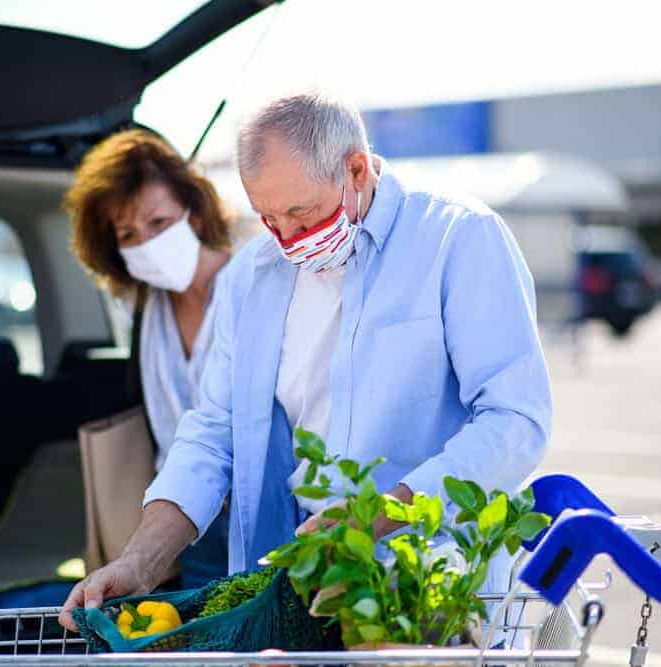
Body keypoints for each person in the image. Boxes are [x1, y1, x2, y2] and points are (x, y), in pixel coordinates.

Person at [59, 93, 552, 632]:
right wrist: (140, 561)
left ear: (356, 170)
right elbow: (213, 433)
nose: (289, 240)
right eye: (268, 218)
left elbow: (514, 421)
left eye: (301, 213)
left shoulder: (458, 238)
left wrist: (379, 514)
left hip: (432, 594)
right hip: (295, 600)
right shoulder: (249, 276)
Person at [63, 128, 234, 589]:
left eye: (158, 222)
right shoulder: (147, 309)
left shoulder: (250, 286)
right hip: (184, 527)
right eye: (128, 234)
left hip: (258, 515)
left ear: (194, 212)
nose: (146, 242)